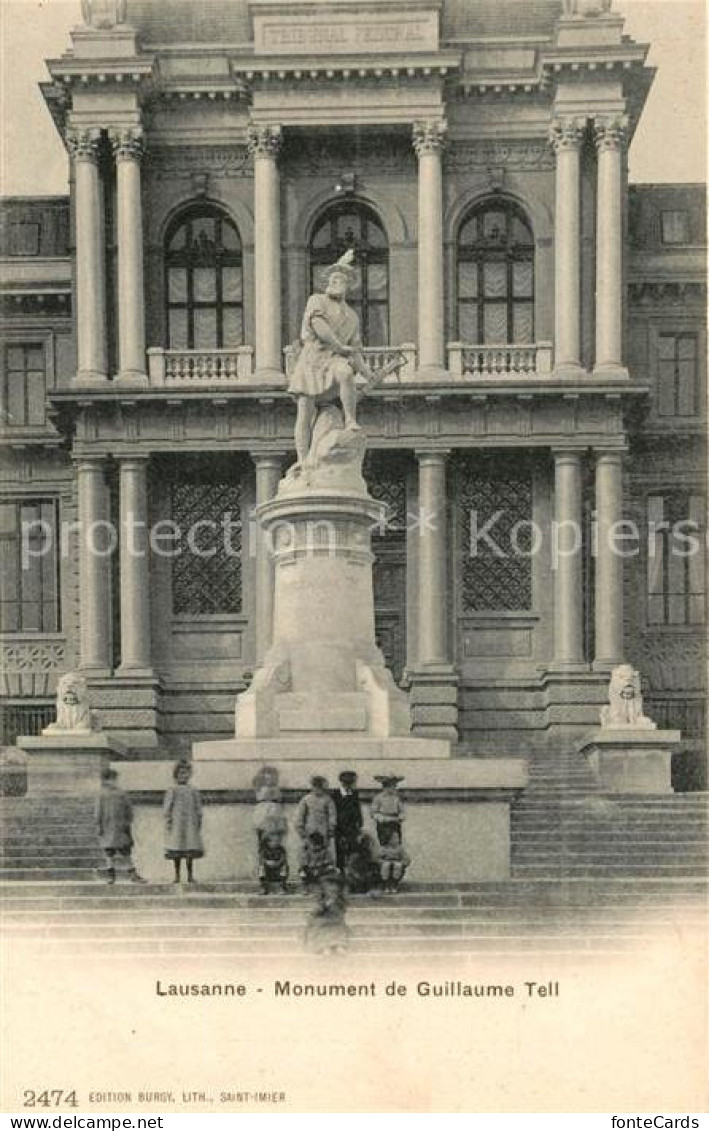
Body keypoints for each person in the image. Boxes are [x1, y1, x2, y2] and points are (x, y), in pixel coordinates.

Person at [287, 249, 375, 470]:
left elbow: (354, 350)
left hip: (334, 360)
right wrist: (339, 346)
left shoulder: (352, 317)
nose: (336, 282)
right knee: (305, 410)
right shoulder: (316, 300)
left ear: (347, 286)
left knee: (345, 372)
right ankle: (302, 458)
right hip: (312, 360)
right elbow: (319, 327)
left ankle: (350, 419)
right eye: (333, 279)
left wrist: (366, 372)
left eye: (341, 280)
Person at [95, 767, 145, 884]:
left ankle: (133, 874)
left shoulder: (122, 794)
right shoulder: (101, 795)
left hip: (121, 828)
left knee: (126, 852)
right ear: (104, 780)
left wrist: (127, 822)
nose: (111, 782)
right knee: (109, 852)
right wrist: (99, 826)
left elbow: (129, 810)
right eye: (108, 779)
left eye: (113, 779)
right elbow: (98, 812)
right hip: (107, 827)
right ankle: (111, 875)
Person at [163, 760, 204, 884]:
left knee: (189, 851)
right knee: (177, 851)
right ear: (176, 775)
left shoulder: (193, 790)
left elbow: (198, 808)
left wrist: (198, 820)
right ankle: (177, 876)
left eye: (186, 773)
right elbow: (167, 808)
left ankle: (190, 876)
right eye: (181, 773)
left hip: (190, 825)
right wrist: (168, 821)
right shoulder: (172, 790)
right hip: (177, 825)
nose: (183, 776)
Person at [304, 869, 350, 956]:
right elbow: (314, 912)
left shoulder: (340, 900)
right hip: (322, 922)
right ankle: (325, 947)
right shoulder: (319, 898)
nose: (332, 888)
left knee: (338, 929)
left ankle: (339, 945)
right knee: (323, 930)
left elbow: (342, 910)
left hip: (335, 922)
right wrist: (324, 905)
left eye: (334, 885)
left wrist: (335, 904)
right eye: (329, 885)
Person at [295, 775, 337, 867]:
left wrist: (331, 829)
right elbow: (300, 816)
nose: (317, 790)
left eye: (320, 787)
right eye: (315, 787)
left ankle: (322, 872)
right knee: (308, 851)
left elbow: (332, 816)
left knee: (323, 852)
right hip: (309, 830)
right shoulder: (306, 799)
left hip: (323, 830)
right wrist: (301, 830)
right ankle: (307, 871)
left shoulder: (328, 800)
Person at [332, 769, 363, 871]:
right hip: (339, 828)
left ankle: (351, 872)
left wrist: (360, 823)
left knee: (353, 850)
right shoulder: (335, 795)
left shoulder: (354, 794)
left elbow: (357, 809)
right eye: (351, 783)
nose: (352, 785)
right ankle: (340, 872)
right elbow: (333, 812)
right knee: (340, 850)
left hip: (352, 828)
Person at [371, 775, 405, 846]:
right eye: (392, 786)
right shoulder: (378, 798)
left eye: (394, 786)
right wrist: (382, 818)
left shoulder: (397, 798)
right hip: (383, 825)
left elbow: (401, 811)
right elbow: (374, 813)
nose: (394, 788)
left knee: (396, 843)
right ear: (386, 787)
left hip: (395, 824)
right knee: (384, 843)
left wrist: (401, 817)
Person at [378, 828, 411, 893]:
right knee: (386, 866)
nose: (396, 840)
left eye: (397, 838)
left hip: (397, 864)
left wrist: (403, 863)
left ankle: (394, 885)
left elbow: (407, 858)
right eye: (394, 838)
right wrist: (382, 862)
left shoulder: (400, 849)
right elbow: (377, 858)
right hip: (386, 864)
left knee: (397, 866)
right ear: (388, 839)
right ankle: (386, 885)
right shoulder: (384, 848)